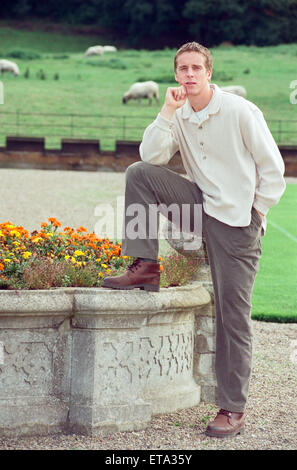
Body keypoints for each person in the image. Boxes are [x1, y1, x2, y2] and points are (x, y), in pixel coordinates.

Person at [102, 42, 286, 438]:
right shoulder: (179, 115)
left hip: (238, 223)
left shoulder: (239, 111)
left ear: (208, 72)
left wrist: (256, 212)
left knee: (232, 316)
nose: (189, 74)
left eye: (196, 68)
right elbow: (151, 156)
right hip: (199, 209)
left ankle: (232, 408)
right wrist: (167, 111)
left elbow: (274, 170)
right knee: (138, 174)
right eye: (182, 68)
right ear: (176, 74)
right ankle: (145, 264)